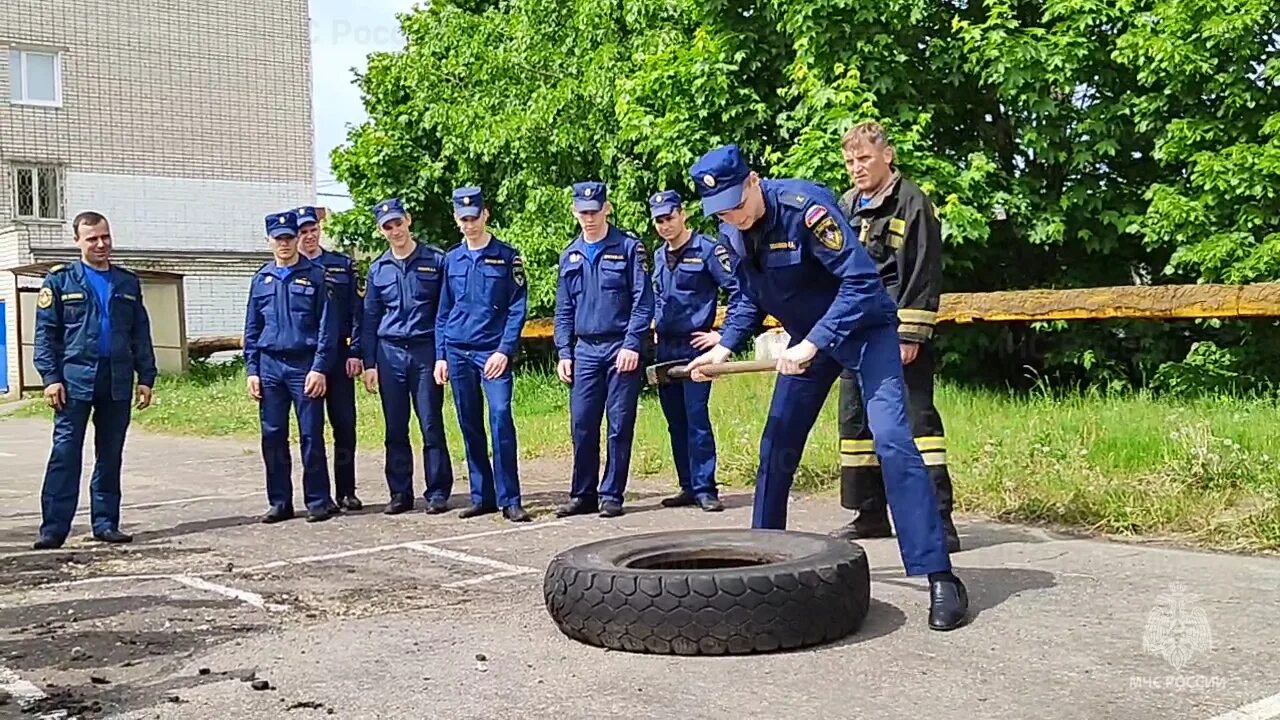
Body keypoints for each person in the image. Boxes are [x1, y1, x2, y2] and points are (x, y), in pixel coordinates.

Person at [681, 144, 968, 631]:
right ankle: (761, 562)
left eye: (737, 201)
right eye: (721, 209)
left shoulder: (805, 208)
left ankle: (940, 574)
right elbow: (751, 298)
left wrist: (812, 345)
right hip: (806, 342)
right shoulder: (731, 233)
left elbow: (859, 284)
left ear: (754, 180)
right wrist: (724, 347)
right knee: (775, 445)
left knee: (893, 442)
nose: (732, 215)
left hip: (864, 332)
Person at [831, 122, 960, 552]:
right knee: (856, 426)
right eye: (850, 161)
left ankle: (939, 521)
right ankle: (869, 513)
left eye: (864, 158)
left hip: (897, 329)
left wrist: (911, 334)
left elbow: (923, 272)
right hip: (856, 330)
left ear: (887, 155)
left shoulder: (913, 202)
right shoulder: (846, 205)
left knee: (915, 426)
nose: (856, 168)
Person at [31, 211, 157, 550]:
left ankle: (105, 523)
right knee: (65, 453)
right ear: (77, 242)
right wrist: (50, 378)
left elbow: (140, 333)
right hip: (73, 381)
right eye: (92, 239)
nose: (101, 244)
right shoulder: (60, 281)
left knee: (110, 453)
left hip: (116, 379)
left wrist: (146, 377)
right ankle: (54, 528)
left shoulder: (127, 282)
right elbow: (46, 335)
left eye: (105, 237)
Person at [647, 189, 755, 513]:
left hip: (695, 346)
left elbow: (740, 291)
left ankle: (706, 488)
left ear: (683, 214)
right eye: (659, 221)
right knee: (674, 421)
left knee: (696, 418)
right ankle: (687, 486)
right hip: (665, 346)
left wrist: (721, 337)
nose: (665, 225)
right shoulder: (657, 255)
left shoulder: (707, 249)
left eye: (669, 217)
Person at [552, 181, 654, 518]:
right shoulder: (570, 254)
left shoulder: (628, 248)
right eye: (583, 212)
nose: (589, 218)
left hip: (619, 348)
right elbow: (564, 308)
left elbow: (643, 301)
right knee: (582, 424)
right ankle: (583, 494)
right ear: (574, 212)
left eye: (595, 211)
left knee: (619, 424)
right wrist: (564, 352)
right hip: (585, 351)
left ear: (606, 208)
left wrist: (632, 343)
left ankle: (612, 493)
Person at [433, 186, 531, 522]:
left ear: (485, 214)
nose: (469, 224)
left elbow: (518, 307)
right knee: (469, 423)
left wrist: (505, 350)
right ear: (456, 219)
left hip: (492, 353)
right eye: (463, 218)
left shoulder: (507, 256)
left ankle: (511, 498)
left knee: (501, 418)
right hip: (458, 350)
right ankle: (482, 495)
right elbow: (443, 311)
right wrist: (441, 355)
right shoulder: (451, 259)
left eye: (474, 217)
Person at [243, 210, 341, 524]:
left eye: (289, 237)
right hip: (270, 367)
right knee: (272, 436)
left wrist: (320, 368)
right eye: (279, 238)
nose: (285, 244)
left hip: (304, 366)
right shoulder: (262, 279)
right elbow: (252, 328)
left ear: (297, 238)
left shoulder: (315, 275)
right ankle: (280, 502)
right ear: (268, 241)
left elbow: (329, 327)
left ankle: (318, 501)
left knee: (311, 435)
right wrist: (252, 370)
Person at [360, 198, 455, 515]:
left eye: (398, 223)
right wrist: (369, 363)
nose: (395, 230)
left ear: (408, 220)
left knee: (431, 424)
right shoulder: (378, 269)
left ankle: (438, 491)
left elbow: (445, 313)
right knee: (395, 427)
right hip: (389, 354)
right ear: (380, 230)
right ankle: (400, 493)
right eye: (388, 226)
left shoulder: (435, 261)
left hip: (425, 350)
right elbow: (370, 318)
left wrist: (443, 356)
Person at [296, 205, 365, 512]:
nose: (310, 237)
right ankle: (319, 496)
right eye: (303, 232)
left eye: (313, 231)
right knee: (311, 429)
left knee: (344, 425)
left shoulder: (341, 266)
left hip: (339, 355)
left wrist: (356, 352)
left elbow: (356, 312)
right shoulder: (287, 269)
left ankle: (347, 491)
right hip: (304, 359)